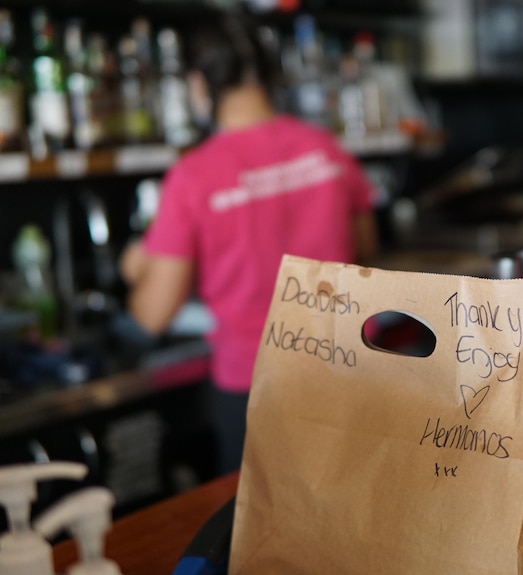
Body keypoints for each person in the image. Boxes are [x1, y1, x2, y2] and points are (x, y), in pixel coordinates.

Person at [120, 14, 378, 475]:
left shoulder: (194, 176)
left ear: (199, 85)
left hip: (258, 384)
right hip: (353, 370)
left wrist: (137, 267)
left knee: (268, 539)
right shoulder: (325, 149)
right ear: (270, 74)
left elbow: (152, 313)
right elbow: (366, 248)